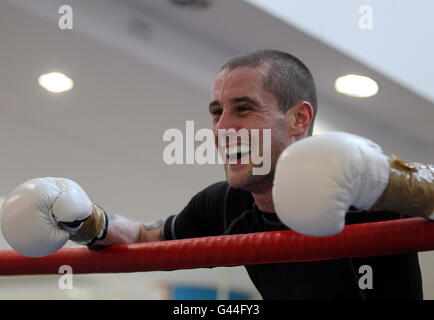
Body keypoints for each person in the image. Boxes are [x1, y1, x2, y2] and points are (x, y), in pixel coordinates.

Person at [0, 49, 427, 299]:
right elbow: (144, 239)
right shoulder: (225, 203)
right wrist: (87, 221)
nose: (222, 128)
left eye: (243, 108)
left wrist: (396, 184)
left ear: (299, 119)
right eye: (216, 113)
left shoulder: (364, 186)